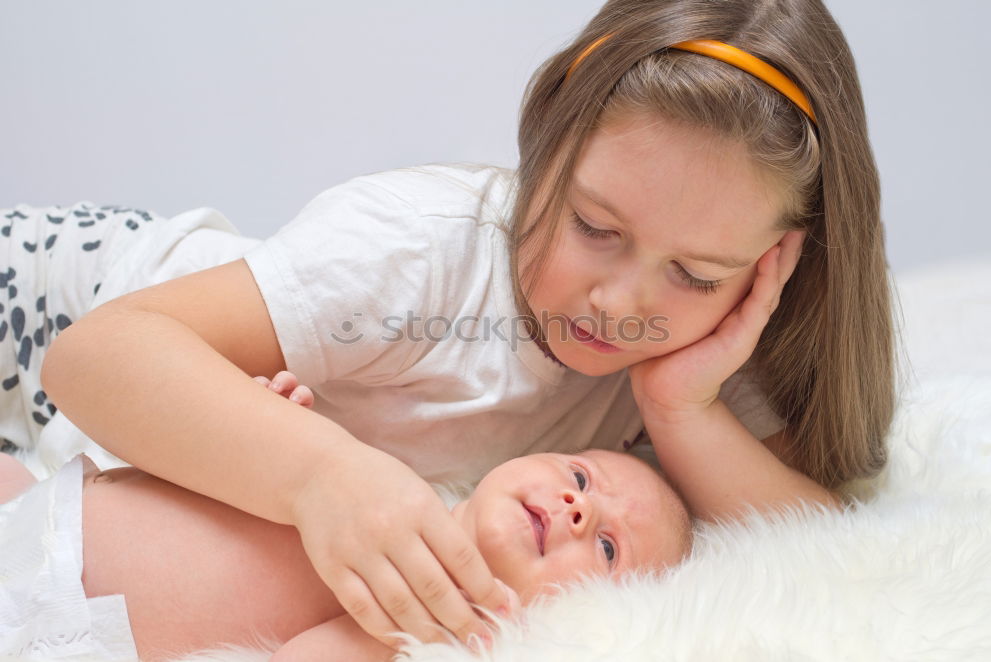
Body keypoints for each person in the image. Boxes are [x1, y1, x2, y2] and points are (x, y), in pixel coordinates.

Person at [6, 0, 896, 651]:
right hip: (59, 291)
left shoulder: (708, 348)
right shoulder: (419, 249)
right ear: (545, 140)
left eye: (694, 273)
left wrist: (681, 415)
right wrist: (325, 475)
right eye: (595, 228)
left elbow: (823, 554)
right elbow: (95, 356)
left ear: (777, 261)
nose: (620, 306)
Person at [0, 408, 693, 661]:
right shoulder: (382, 472)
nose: (579, 507)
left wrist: (390, 634)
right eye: (582, 474)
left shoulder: (420, 618)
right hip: (48, 503)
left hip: (55, 616)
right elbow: (205, 461)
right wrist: (264, 416)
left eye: (607, 547)